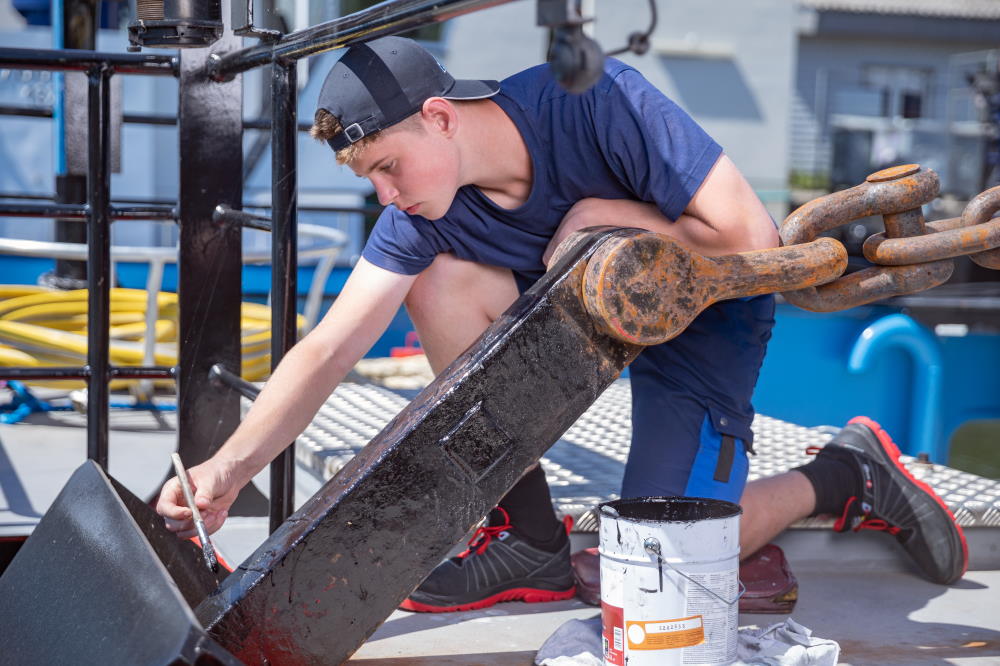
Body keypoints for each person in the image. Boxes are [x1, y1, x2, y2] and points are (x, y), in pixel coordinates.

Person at [156, 36, 967, 612]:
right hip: (581, 317)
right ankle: (531, 538)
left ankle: (843, 473)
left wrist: (609, 230)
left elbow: (750, 240)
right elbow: (330, 347)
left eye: (387, 167)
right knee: (432, 281)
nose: (386, 195)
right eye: (372, 179)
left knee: (643, 573)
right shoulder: (422, 216)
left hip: (707, 319)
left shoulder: (595, 101)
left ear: (439, 117)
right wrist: (228, 467)